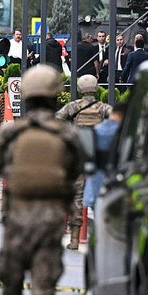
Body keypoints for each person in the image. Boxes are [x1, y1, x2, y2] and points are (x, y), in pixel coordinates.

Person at [0, 65, 83, 295]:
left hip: (17, 221)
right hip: (51, 223)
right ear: (56, 96)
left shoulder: (12, 132)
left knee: (11, 292)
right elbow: (77, 170)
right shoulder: (67, 135)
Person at [55, 74, 112, 249]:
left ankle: (74, 239)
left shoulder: (73, 107)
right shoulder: (104, 108)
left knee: (77, 197)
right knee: (102, 196)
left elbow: (57, 120)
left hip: (79, 157)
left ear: (80, 88)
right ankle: (102, 240)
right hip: (98, 158)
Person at [83, 102, 127, 209]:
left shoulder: (95, 130)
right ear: (123, 115)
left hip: (94, 188)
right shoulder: (125, 132)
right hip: (116, 190)